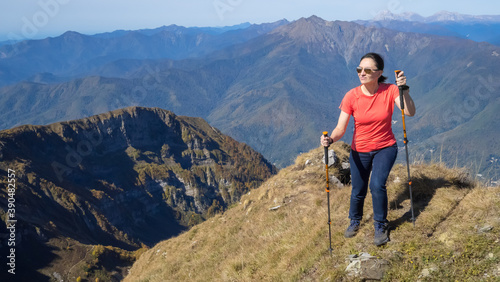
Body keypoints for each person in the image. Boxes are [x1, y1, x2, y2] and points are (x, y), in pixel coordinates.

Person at [320, 52, 416, 246]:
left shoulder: (390, 91)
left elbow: (409, 112)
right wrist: (330, 139)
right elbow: (340, 128)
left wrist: (403, 89)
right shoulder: (351, 96)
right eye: (359, 69)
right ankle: (354, 220)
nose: (361, 73)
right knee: (358, 189)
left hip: (385, 147)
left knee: (377, 185)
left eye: (367, 70)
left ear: (379, 72)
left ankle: (380, 225)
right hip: (360, 150)